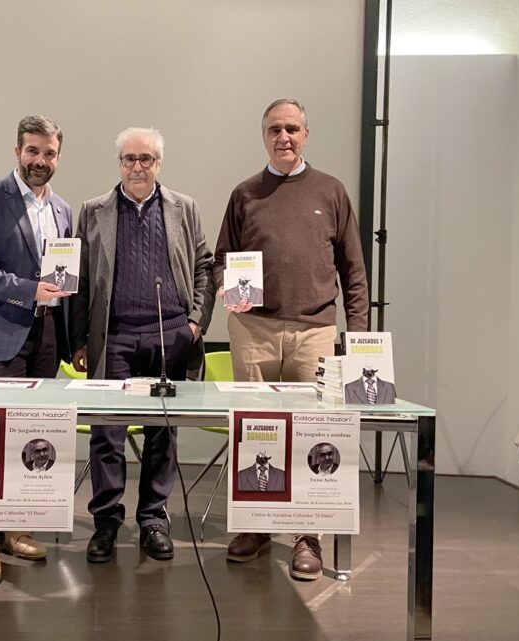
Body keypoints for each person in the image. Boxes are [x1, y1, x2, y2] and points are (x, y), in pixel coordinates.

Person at [215, 99, 369, 579]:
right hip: (253, 329)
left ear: (306, 134)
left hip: (316, 331)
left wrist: (358, 337)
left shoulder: (332, 191)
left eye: (292, 128)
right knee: (257, 432)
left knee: (317, 436)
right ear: (263, 136)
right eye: (274, 129)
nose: (284, 136)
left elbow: (354, 271)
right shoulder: (245, 194)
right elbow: (222, 258)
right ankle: (258, 525)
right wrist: (226, 283)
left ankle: (308, 536)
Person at [70, 126, 215, 564]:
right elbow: (76, 280)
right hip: (113, 337)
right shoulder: (94, 210)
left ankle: (153, 519)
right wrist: (79, 339)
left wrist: (195, 321)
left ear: (158, 164)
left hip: (169, 335)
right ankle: (107, 523)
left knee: (162, 432)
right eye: (130, 159)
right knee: (107, 434)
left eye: (146, 159)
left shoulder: (183, 208)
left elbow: (204, 266)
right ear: (119, 164)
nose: (138, 166)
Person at [0, 114, 72, 585]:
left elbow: (64, 279)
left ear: (58, 157)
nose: (40, 161)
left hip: (45, 340)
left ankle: (15, 527)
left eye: (49, 153)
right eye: (32, 151)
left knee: (28, 436)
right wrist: (29, 290)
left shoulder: (62, 209)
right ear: (17, 151)